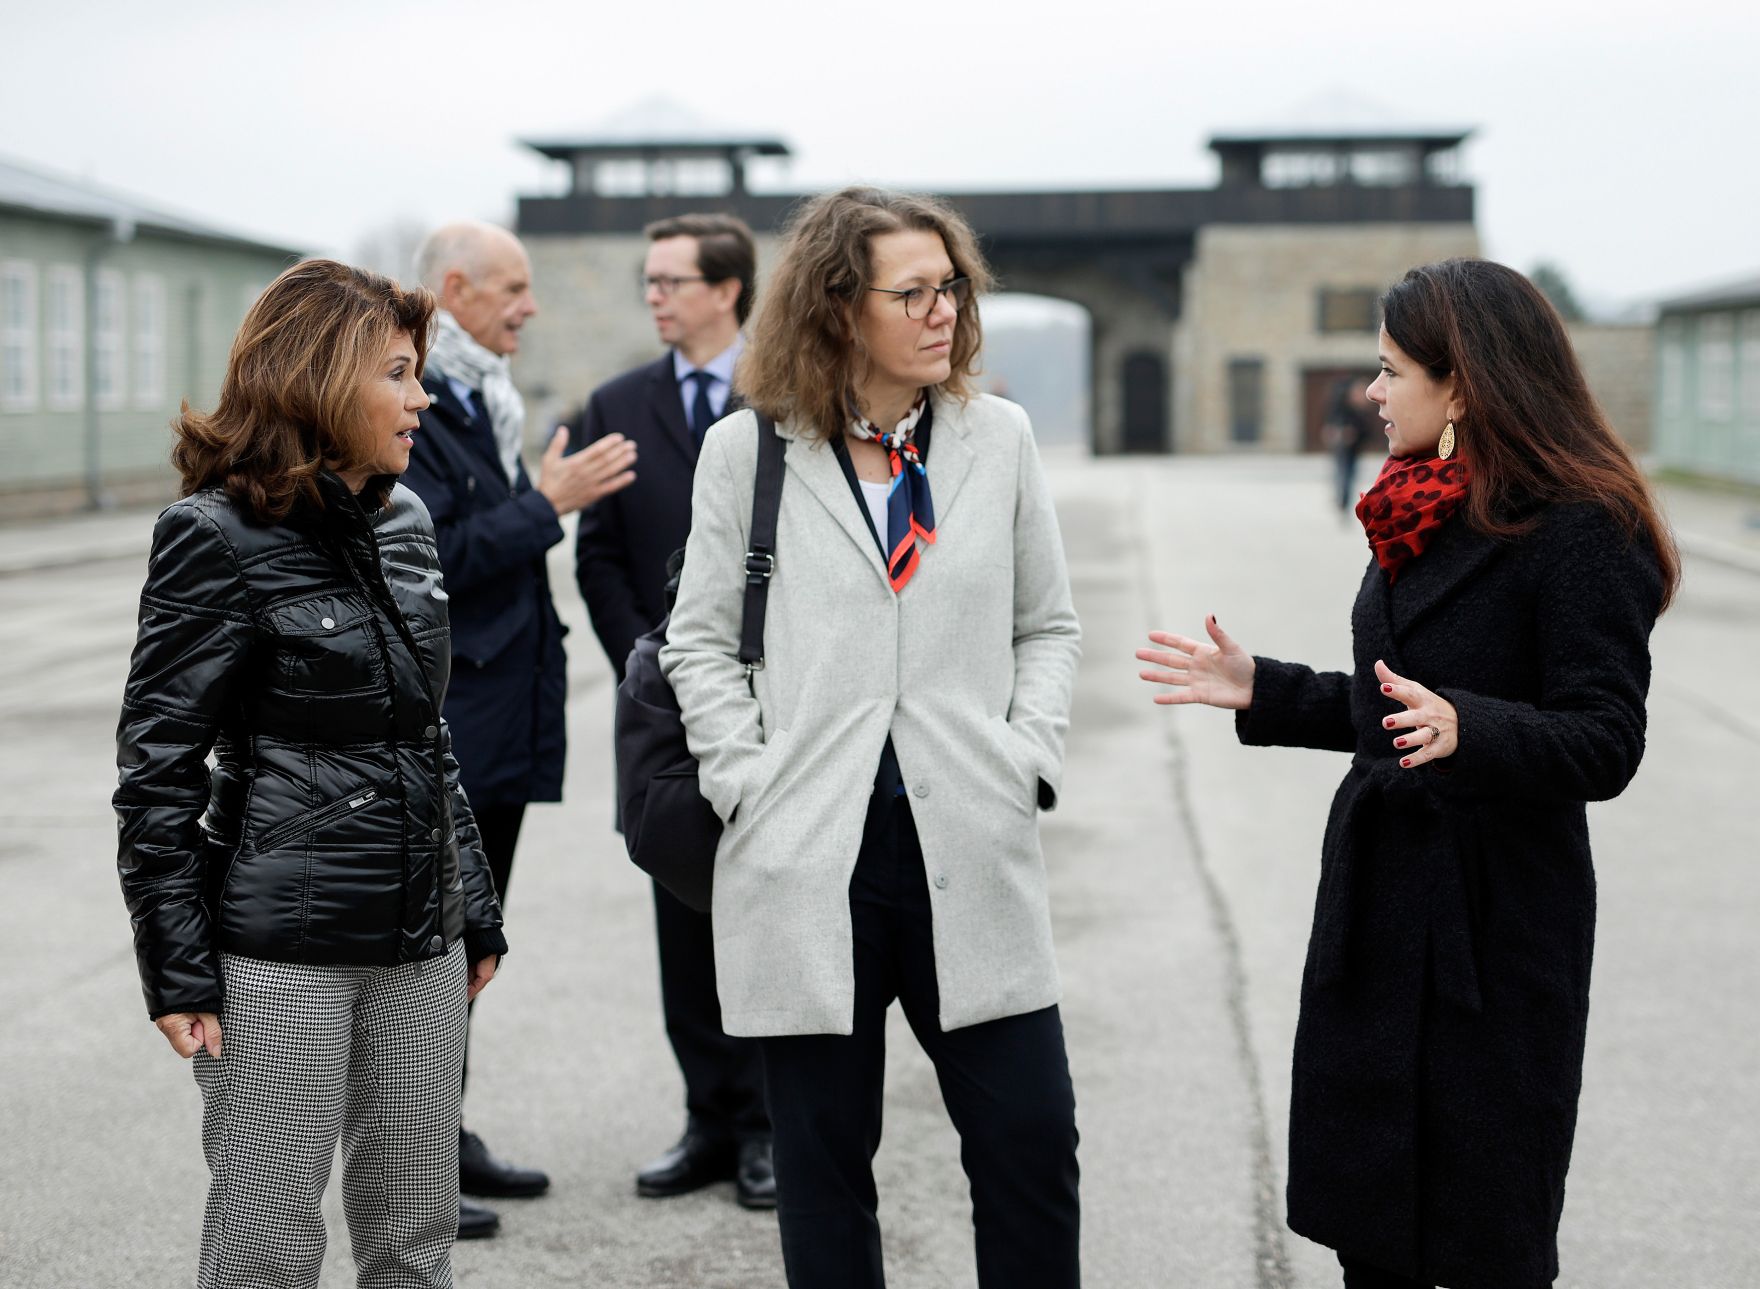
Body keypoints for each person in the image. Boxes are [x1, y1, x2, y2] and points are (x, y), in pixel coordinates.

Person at [1137, 258, 1680, 1289]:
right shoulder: (1414, 507)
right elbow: (1392, 706)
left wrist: (1469, 728)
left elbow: (1605, 737)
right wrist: (1268, 689)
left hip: (1495, 925)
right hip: (1380, 913)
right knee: (1372, 1228)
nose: (1370, 394)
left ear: (1462, 385)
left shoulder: (1580, 527)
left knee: (1486, 1235)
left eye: (1389, 371)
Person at [661, 187, 1083, 1288]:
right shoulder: (745, 452)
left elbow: (1046, 623)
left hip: (969, 842)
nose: (942, 310)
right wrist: (743, 781)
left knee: (1030, 1146)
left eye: (951, 287)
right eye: (913, 292)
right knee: (823, 1167)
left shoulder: (998, 439)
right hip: (810, 855)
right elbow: (697, 642)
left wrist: (1026, 753)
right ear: (841, 307)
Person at [114, 259, 508, 1288]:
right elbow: (157, 771)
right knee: (268, 1240)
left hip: (421, 936)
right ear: (323, 379)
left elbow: (427, 731)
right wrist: (177, 964)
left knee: (416, 1234)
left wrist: (477, 904)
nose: (422, 396)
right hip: (277, 947)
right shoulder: (210, 535)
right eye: (398, 372)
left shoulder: (407, 521)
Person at [400, 220, 637, 1238]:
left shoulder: (476, 397)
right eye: (513, 287)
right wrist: (546, 502)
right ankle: (412, 1165)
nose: (529, 306)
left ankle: (442, 1136)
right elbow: (428, 555)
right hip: (454, 719)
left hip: (497, 716)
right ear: (453, 288)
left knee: (466, 953)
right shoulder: (410, 400)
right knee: (431, 957)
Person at [570, 213, 774, 1207]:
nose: (654, 296)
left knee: (775, 914)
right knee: (679, 911)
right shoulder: (616, 403)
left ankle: (770, 1127)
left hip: (778, 704)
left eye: (671, 281)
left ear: (727, 289)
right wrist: (644, 666)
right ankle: (706, 1116)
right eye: (647, 281)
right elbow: (597, 554)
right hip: (665, 719)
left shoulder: (788, 393)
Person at [1322, 372, 1378, 514]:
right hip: (1342, 444)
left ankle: (1343, 499)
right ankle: (1342, 499)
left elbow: (1366, 428)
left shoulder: (1362, 409)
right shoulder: (1343, 406)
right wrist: (1337, 431)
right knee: (1342, 470)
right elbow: (1333, 420)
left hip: (1355, 445)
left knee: (1350, 472)